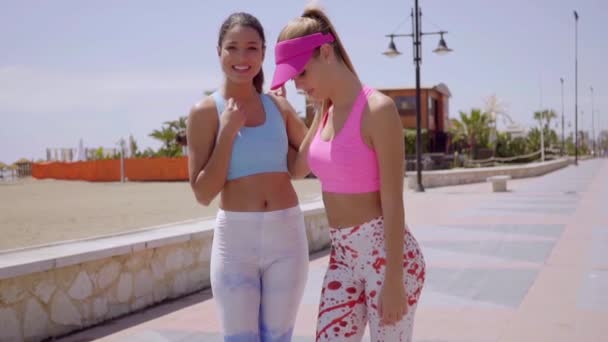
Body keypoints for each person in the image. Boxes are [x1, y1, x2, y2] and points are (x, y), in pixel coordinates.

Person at [270, 6, 426, 342]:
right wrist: (280, 113)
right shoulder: (324, 110)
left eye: (301, 74)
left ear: (325, 52)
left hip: (389, 258)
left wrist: (395, 278)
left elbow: (393, 200)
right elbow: (298, 168)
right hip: (343, 256)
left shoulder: (377, 110)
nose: (298, 85)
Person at [186, 12, 310, 341]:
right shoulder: (204, 112)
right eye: (233, 48)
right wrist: (226, 133)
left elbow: (304, 164)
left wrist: (313, 106)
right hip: (235, 244)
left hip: (287, 238)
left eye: (252, 48)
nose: (242, 58)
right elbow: (202, 193)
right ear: (219, 52)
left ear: (263, 53)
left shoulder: (278, 108)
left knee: (279, 337)